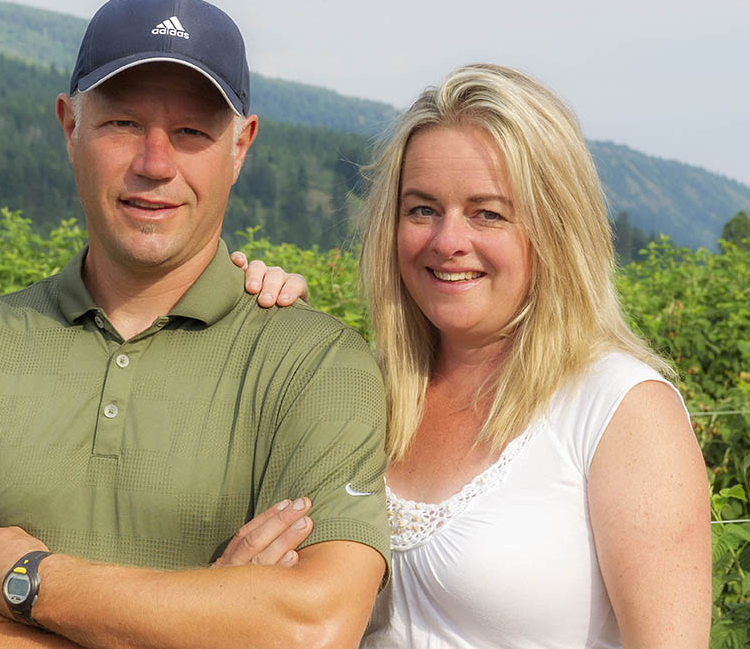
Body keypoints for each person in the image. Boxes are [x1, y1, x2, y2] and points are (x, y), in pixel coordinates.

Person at [0, 0, 389, 648]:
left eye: (191, 133)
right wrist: (206, 624)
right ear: (69, 125)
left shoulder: (317, 365)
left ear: (241, 146)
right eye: (122, 124)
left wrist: (29, 579)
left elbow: (311, 626)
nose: (154, 164)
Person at [235, 63, 711, 647]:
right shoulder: (362, 390)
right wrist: (275, 331)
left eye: (488, 213)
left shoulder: (621, 411)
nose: (447, 241)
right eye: (422, 209)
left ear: (557, 228)